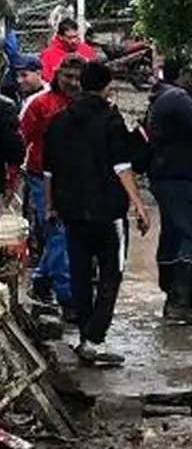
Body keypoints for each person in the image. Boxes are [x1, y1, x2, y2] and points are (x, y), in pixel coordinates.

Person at [44, 62, 151, 367]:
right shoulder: (111, 119)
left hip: (72, 209)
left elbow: (49, 170)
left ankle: (85, 337)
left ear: (81, 84)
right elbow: (122, 166)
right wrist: (138, 204)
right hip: (107, 211)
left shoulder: (59, 121)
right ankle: (94, 338)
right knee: (111, 274)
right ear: (107, 87)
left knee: (80, 272)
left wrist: (50, 205)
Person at [145, 58, 192, 324]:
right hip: (181, 177)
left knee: (174, 235)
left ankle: (174, 299)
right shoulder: (177, 97)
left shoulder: (164, 96)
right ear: (182, 73)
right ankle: (179, 301)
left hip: (170, 175)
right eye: (191, 74)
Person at [21, 55, 84, 315]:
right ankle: (67, 297)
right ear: (57, 75)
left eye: (78, 78)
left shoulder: (86, 104)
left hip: (77, 178)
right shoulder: (40, 103)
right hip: (40, 176)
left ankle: (41, 280)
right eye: (68, 77)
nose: (73, 83)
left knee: (64, 234)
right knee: (58, 233)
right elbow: (23, 139)